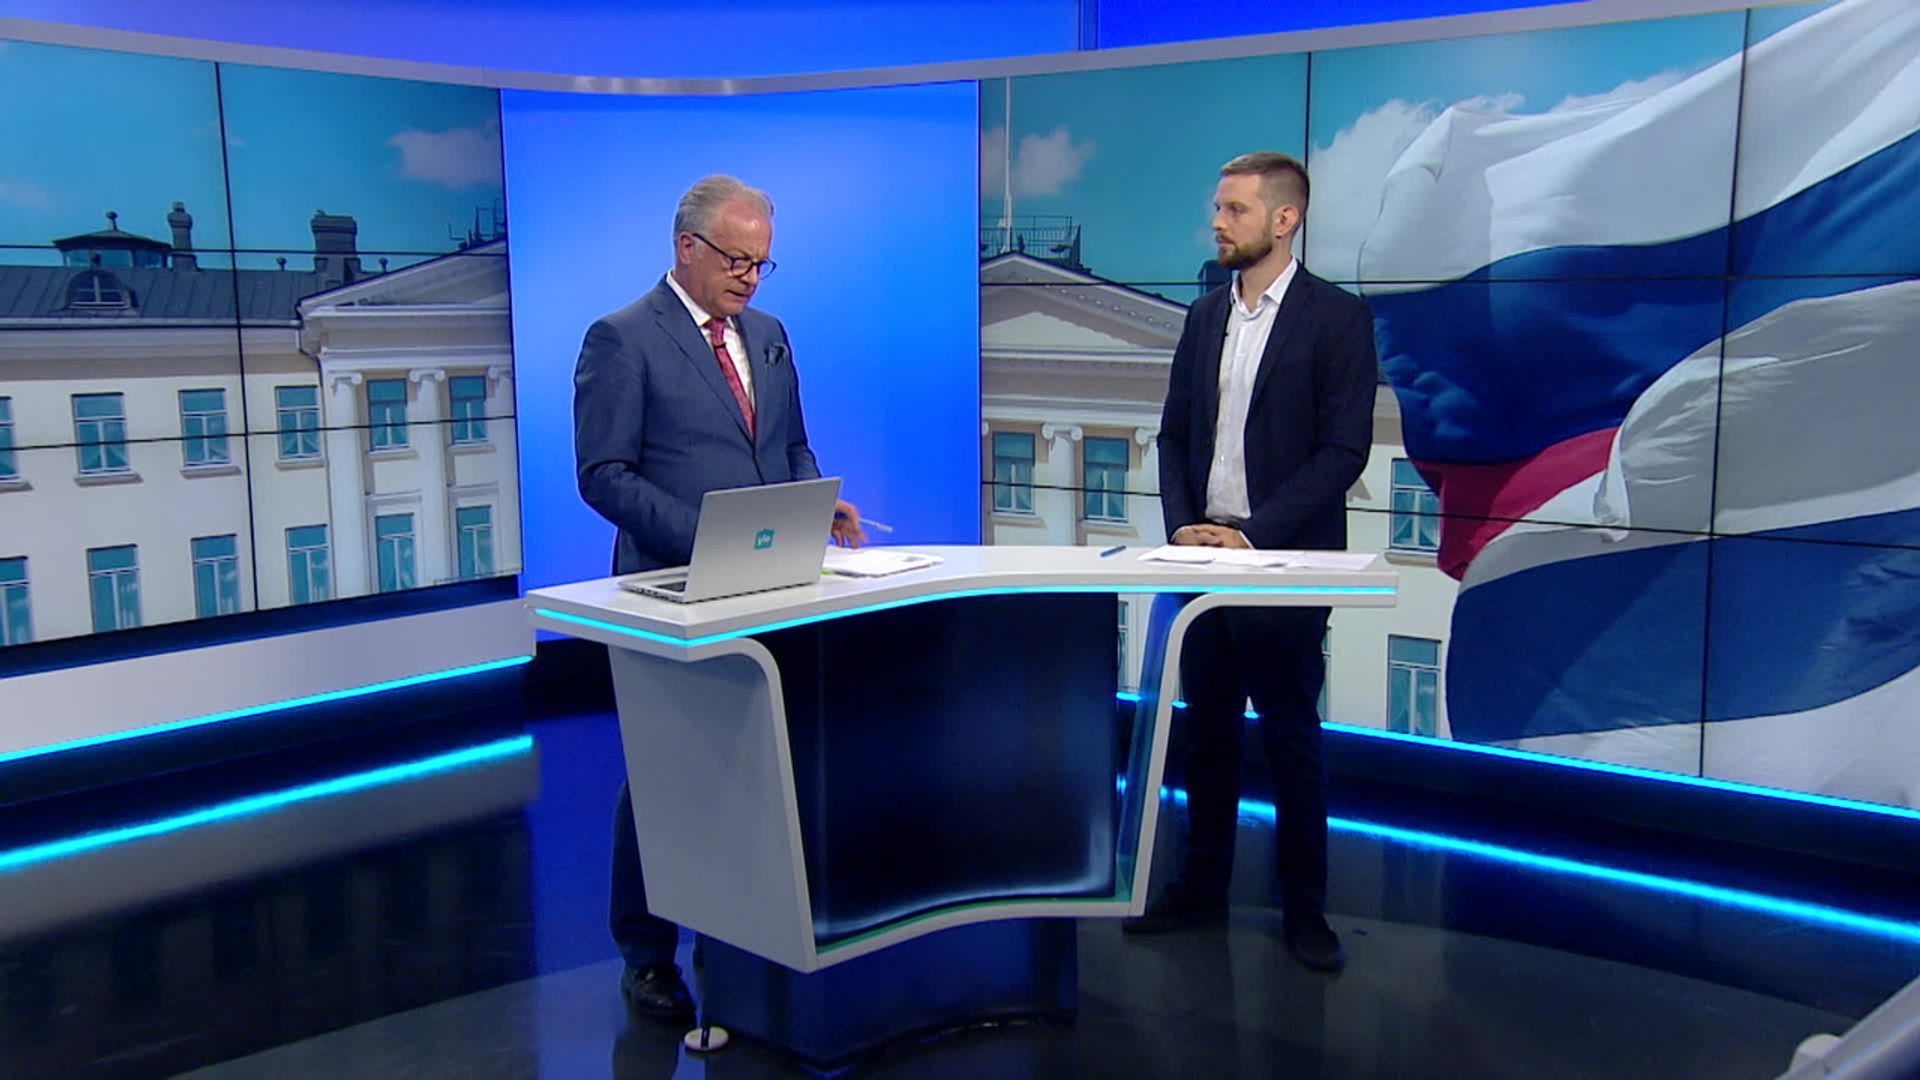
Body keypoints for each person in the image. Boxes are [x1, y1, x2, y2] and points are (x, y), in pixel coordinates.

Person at [573, 175, 864, 1022]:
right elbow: (603, 474)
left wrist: (813, 502)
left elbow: (792, 444)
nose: (749, 277)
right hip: (673, 589)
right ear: (686, 247)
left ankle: (741, 932)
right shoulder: (622, 338)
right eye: (736, 260)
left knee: (760, 760)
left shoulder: (767, 334)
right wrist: (707, 537)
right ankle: (647, 956)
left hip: (771, 587)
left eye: (762, 263)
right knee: (667, 771)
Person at [1121, 152, 1376, 973]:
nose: (1218, 223)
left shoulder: (1338, 319)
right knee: (1208, 736)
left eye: (1234, 209)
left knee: (1292, 741)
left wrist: (1255, 536)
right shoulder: (1204, 318)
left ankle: (1306, 913)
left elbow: (1343, 452)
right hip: (1202, 561)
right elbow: (1173, 436)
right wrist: (1184, 530)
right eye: (1218, 208)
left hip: (1283, 562)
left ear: (1284, 219)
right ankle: (1201, 890)